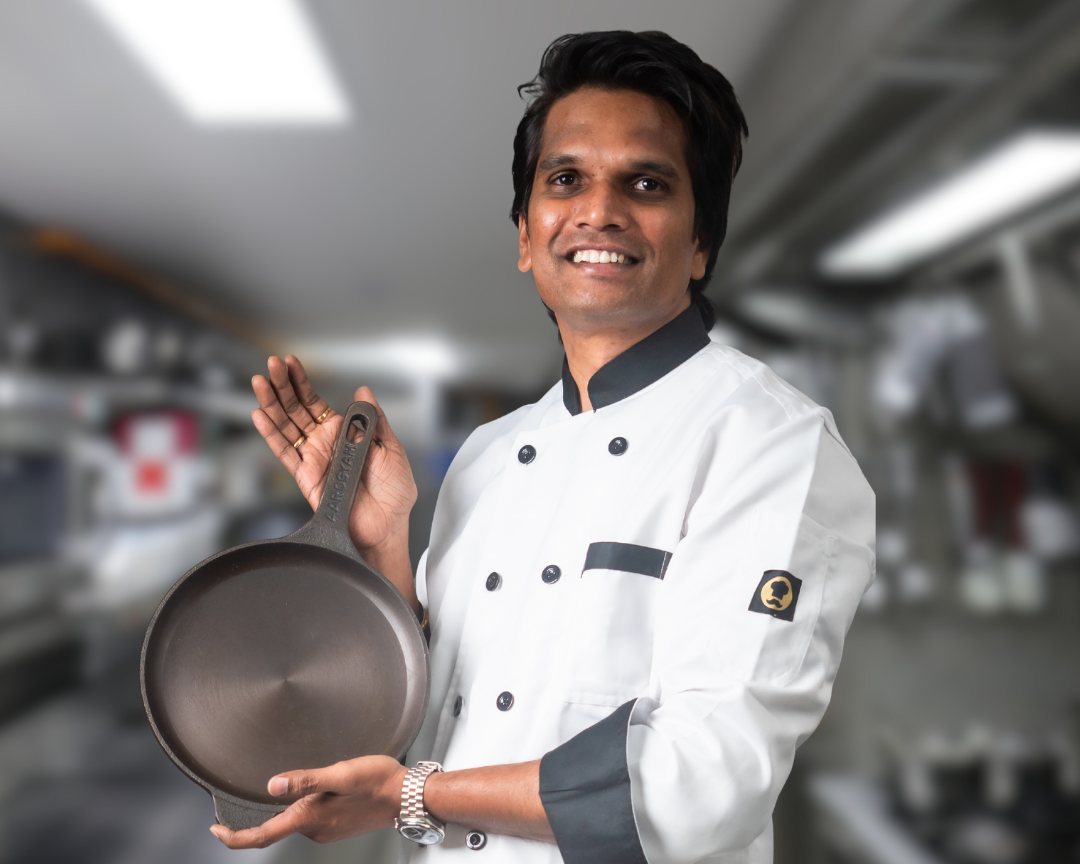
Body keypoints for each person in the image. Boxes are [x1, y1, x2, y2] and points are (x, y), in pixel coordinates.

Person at [212, 30, 875, 864]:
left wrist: (413, 796)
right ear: (526, 236)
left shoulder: (772, 446)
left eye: (647, 182)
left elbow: (703, 780)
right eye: (567, 179)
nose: (600, 210)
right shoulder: (490, 455)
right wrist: (380, 545)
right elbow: (426, 712)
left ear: (701, 243)